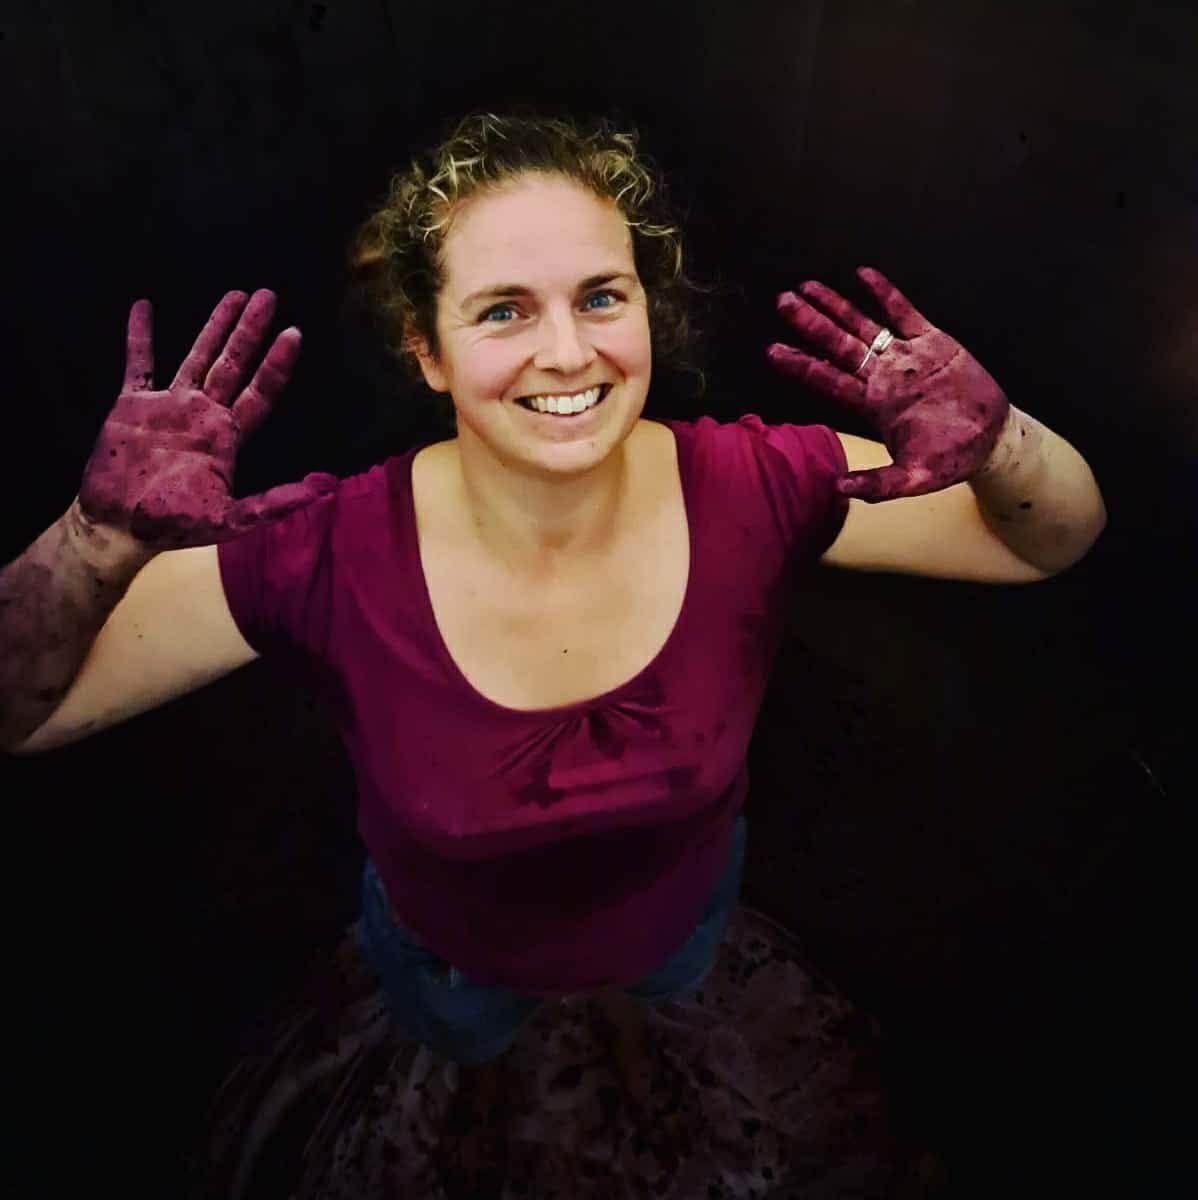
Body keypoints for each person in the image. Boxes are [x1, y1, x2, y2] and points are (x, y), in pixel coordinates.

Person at [0, 110, 1107, 1153]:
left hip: (684, 919)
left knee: (663, 1002)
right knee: (472, 1053)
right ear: (427, 349)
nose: (570, 353)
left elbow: (1044, 543)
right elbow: (21, 715)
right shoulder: (323, 549)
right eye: (503, 311)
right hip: (449, 960)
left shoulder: (759, 485)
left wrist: (1002, 442)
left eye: (601, 297)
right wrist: (96, 540)